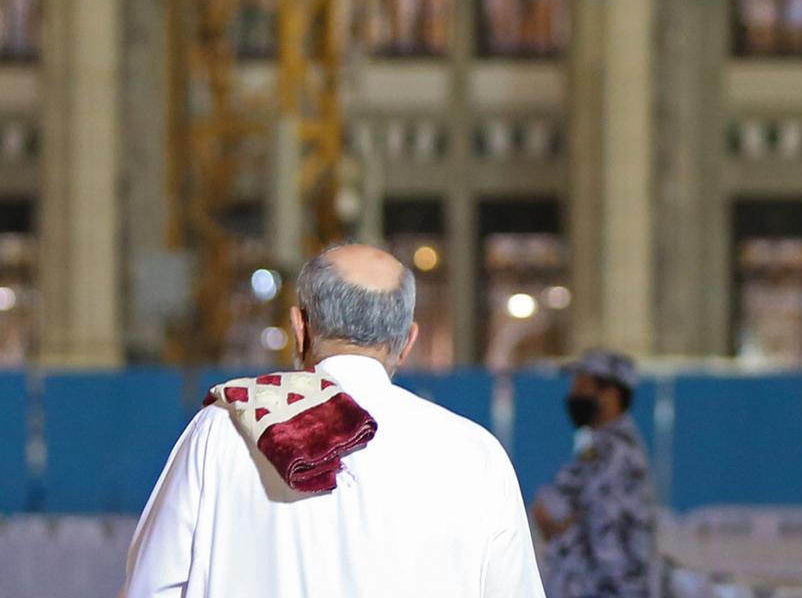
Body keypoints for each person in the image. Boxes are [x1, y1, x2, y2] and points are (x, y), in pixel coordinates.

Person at [121, 244, 544, 598]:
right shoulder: (475, 455)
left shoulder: (223, 430)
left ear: (299, 328)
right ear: (408, 341)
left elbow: (152, 588)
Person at [533, 349, 656, 598]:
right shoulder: (608, 446)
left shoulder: (612, 452)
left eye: (582, 386)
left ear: (610, 393)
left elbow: (547, 512)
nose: (573, 395)